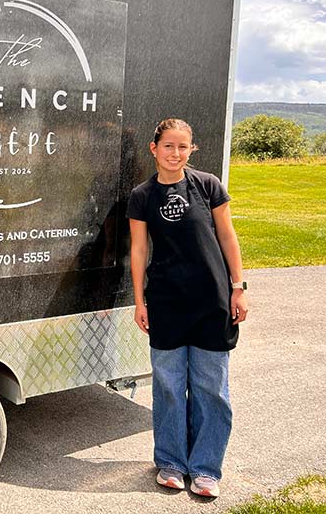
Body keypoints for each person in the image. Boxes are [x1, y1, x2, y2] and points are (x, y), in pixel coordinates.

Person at [126, 118, 249, 498]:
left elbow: (227, 236)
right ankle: (171, 463)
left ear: (191, 149)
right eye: (168, 146)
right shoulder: (142, 195)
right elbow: (139, 250)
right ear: (154, 148)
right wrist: (139, 300)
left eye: (183, 146)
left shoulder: (208, 186)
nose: (175, 153)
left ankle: (206, 468)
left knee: (211, 389)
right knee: (168, 388)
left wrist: (238, 288)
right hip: (166, 303)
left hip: (212, 301)